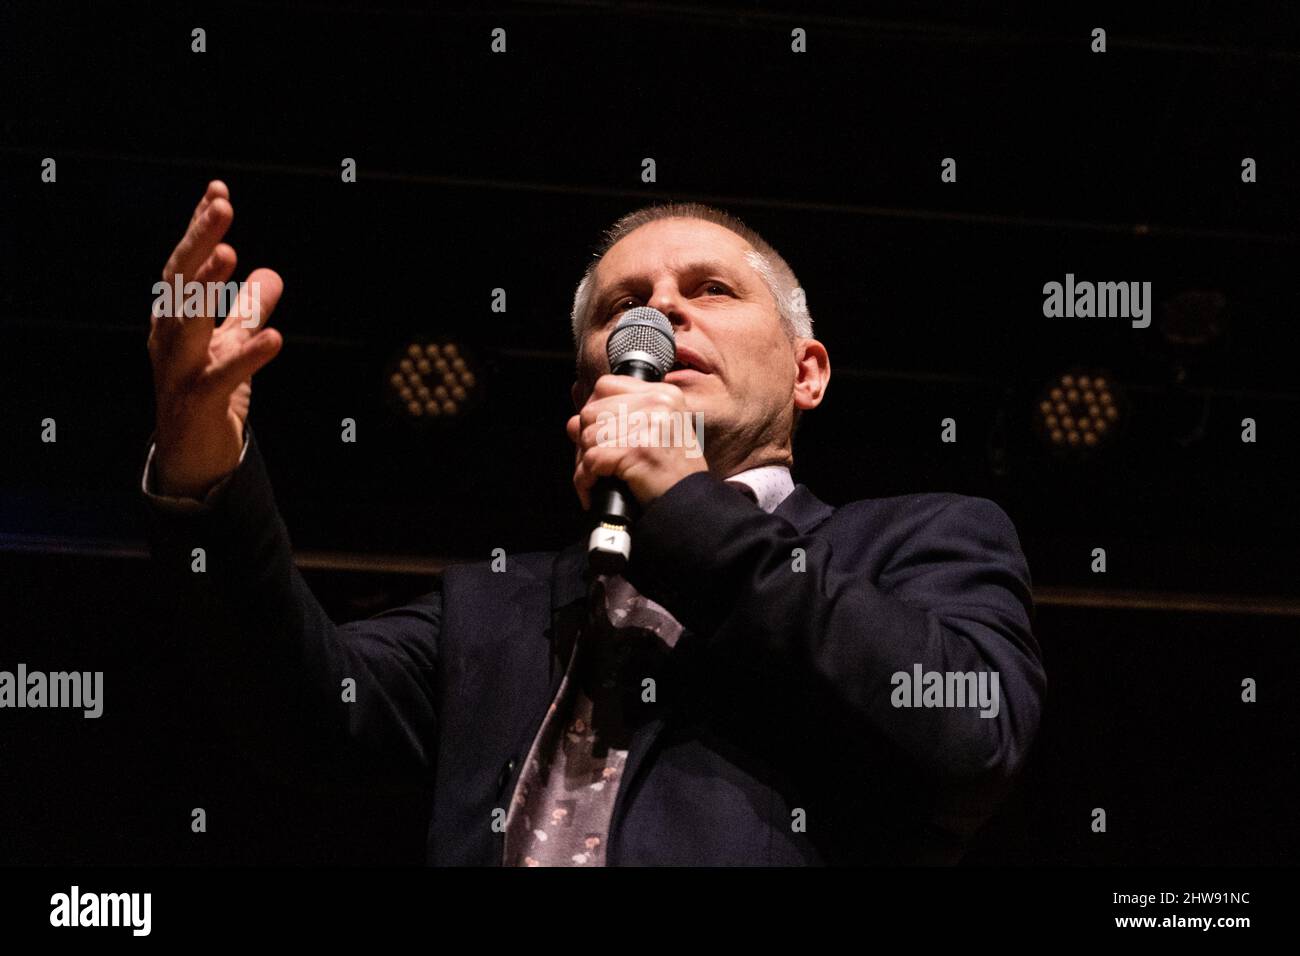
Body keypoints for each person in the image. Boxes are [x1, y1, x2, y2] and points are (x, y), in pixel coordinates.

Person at [143, 181, 1045, 865]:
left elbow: (973, 740)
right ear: (584, 390)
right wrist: (201, 461)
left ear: (807, 372)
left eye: (714, 290)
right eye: (625, 306)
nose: (659, 311)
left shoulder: (918, 540)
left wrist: (688, 508)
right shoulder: (498, 603)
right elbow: (301, 715)